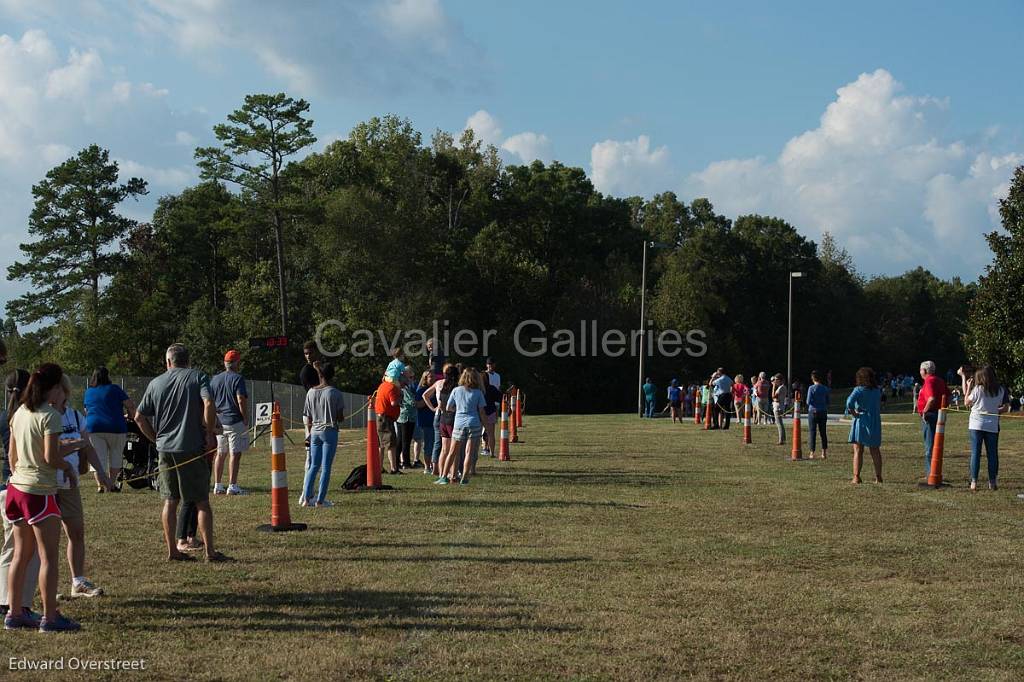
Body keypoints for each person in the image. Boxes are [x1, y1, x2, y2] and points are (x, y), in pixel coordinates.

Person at [4, 363, 81, 631]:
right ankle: (50, 617)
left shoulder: (20, 413)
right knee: (48, 557)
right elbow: (51, 457)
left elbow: (12, 457)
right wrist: (68, 466)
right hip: (39, 492)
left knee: (20, 555)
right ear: (55, 388)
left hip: (16, 490)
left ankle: (14, 613)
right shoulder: (50, 416)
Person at [135, 344, 228, 562]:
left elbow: (139, 416)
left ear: (168, 362)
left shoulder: (155, 383)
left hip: (165, 450)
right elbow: (208, 402)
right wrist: (208, 430)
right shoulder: (198, 377)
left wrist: (155, 438)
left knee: (170, 501)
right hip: (191, 447)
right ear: (188, 360)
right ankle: (210, 552)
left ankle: (173, 551)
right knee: (201, 502)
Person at [53, 374, 114, 598]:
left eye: (58, 389)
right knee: (46, 540)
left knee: (76, 533)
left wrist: (101, 473)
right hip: (46, 485)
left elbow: (87, 447)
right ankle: (45, 590)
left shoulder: (75, 416)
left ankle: (77, 582)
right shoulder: (41, 416)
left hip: (69, 485)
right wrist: (73, 445)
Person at [0, 367, 41, 624]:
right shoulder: (29, 416)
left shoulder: (4, 416)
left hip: (3, 487)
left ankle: (4, 600)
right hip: (24, 486)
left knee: (9, 548)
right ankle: (21, 604)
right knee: (29, 550)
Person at [83, 366, 135, 492]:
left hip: (94, 428)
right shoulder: (115, 389)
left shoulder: (89, 392)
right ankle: (111, 484)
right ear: (108, 376)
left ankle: (100, 485)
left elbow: (86, 410)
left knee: (98, 458)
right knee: (116, 456)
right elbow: (130, 405)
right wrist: (130, 415)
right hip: (116, 427)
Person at [301, 361, 344, 507]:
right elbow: (340, 417)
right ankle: (320, 500)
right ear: (332, 376)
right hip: (329, 431)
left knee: (313, 465)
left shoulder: (310, 392)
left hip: (315, 431)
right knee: (326, 467)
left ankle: (306, 498)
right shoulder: (335, 393)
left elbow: (308, 415)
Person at [960, 365, 1009, 491]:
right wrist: (994, 410)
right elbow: (1004, 407)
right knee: (992, 454)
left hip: (976, 424)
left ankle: (974, 482)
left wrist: (969, 386)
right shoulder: (1000, 390)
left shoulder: (977, 389)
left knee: (976, 453)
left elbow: (966, 402)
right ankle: (992, 482)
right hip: (992, 424)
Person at [209, 350, 249, 496]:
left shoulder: (215, 379)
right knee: (235, 453)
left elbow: (210, 402)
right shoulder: (238, 378)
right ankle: (232, 485)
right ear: (237, 363)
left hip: (220, 421)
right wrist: (245, 417)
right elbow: (240, 399)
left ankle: (217, 485)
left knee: (220, 453)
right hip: (234, 421)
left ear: (225, 363)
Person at [445, 368, 487, 485]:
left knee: (453, 451)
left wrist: (457, 410)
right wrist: (486, 426)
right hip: (474, 423)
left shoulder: (456, 390)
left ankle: (445, 475)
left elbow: (448, 407)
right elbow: (482, 411)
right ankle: (464, 477)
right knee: (469, 452)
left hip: (459, 423)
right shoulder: (478, 393)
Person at [845, 367, 883, 484]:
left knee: (858, 450)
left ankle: (856, 477)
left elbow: (849, 403)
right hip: (875, 421)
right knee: (875, 450)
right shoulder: (877, 390)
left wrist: (854, 413)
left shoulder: (858, 390)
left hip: (861, 421)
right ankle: (878, 477)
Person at [916, 360, 950, 477]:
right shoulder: (940, 380)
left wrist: (924, 411)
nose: (920, 372)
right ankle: (934, 471)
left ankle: (931, 473)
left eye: (921, 370)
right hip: (939, 415)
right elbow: (947, 396)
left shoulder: (929, 381)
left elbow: (931, 398)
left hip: (930, 416)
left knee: (929, 446)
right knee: (936, 444)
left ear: (924, 371)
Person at [430, 365, 460, 485]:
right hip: (453, 421)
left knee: (444, 450)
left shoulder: (443, 387)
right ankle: (453, 475)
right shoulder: (456, 388)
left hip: (442, 420)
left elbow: (441, 405)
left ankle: (442, 475)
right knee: (454, 451)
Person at [374, 374, 402, 474]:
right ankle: (394, 468)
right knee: (391, 444)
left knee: (381, 444)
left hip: (380, 417)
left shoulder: (382, 385)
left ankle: (380, 467)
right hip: (386, 418)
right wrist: (400, 397)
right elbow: (393, 403)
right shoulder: (392, 387)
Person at [415, 371, 436, 473]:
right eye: (430, 377)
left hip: (436, 421)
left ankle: (434, 465)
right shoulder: (421, 390)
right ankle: (427, 467)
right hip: (426, 421)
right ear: (425, 378)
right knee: (428, 444)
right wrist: (428, 397)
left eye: (433, 377)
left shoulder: (437, 389)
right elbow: (418, 405)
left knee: (436, 444)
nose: (432, 379)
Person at [806, 370, 831, 460]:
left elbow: (808, 401)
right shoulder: (825, 388)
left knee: (812, 432)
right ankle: (824, 453)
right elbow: (828, 401)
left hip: (813, 411)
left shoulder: (811, 388)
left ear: (812, 378)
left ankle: (812, 452)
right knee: (823, 432)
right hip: (823, 412)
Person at [396, 369, 417, 469]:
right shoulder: (405, 389)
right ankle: (406, 463)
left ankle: (396, 461)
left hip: (402, 417)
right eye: (410, 378)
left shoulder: (403, 388)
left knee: (400, 441)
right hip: (406, 417)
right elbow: (412, 402)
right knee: (405, 441)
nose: (412, 380)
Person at [481, 374, 502, 457]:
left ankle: (483, 449)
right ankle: (492, 453)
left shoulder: (478, 389)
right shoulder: (492, 388)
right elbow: (500, 397)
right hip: (490, 412)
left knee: (478, 433)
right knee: (491, 434)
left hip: (479, 413)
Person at [771, 374, 788, 445]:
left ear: (779, 380)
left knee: (779, 424)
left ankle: (781, 440)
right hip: (780, 406)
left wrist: (773, 386)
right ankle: (783, 438)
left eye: (776, 380)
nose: (774, 381)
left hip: (778, 407)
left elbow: (773, 396)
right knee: (780, 423)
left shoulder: (780, 388)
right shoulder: (783, 387)